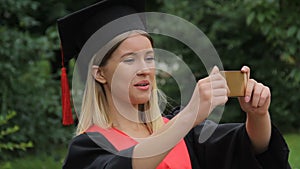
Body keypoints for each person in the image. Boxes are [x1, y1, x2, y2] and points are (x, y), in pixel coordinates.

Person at [57, 0, 291, 169]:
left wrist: (258, 114)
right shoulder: (89, 148)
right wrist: (189, 116)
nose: (145, 69)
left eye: (149, 57)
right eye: (129, 59)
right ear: (100, 74)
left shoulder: (183, 133)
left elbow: (249, 148)